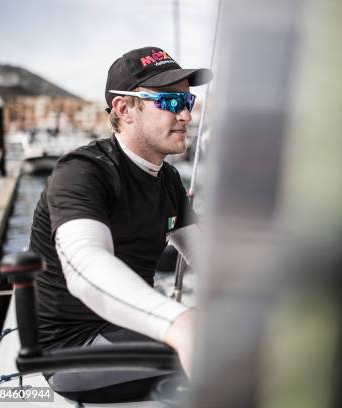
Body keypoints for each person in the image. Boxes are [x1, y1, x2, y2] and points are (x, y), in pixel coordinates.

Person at [28, 46, 212, 403]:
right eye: (172, 102)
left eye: (188, 101)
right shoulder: (83, 172)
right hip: (72, 350)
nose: (187, 115)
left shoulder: (169, 180)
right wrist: (178, 321)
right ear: (125, 109)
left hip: (130, 329)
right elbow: (86, 269)